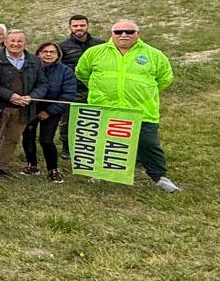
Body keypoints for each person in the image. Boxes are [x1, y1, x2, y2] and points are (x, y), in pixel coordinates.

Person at [74, 19, 178, 191]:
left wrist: (144, 93)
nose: (123, 35)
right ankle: (99, 173)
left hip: (141, 110)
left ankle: (159, 177)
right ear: (112, 34)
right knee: (104, 143)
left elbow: (165, 78)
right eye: (118, 32)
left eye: (129, 32)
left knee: (149, 144)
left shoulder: (154, 54)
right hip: (106, 108)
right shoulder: (95, 52)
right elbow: (82, 73)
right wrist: (99, 90)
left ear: (138, 34)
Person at [0, 29, 46, 176]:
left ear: (25, 43)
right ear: (5, 42)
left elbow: (42, 84)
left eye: (19, 41)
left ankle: (2, 167)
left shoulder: (34, 61)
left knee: (12, 138)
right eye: (12, 41)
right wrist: (9, 95)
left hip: (24, 108)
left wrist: (32, 96)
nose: (15, 44)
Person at [22, 41, 77, 181]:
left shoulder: (65, 71)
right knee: (28, 136)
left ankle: (53, 169)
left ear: (58, 55)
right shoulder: (30, 67)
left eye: (52, 52)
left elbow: (68, 94)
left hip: (53, 110)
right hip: (31, 107)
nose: (48, 54)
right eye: (45, 51)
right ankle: (31, 165)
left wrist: (50, 111)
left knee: (46, 140)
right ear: (38, 53)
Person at [57, 14, 104, 97]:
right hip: (72, 89)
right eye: (75, 26)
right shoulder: (60, 46)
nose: (79, 28)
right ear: (70, 27)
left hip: (98, 88)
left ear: (88, 26)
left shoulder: (100, 44)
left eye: (82, 25)